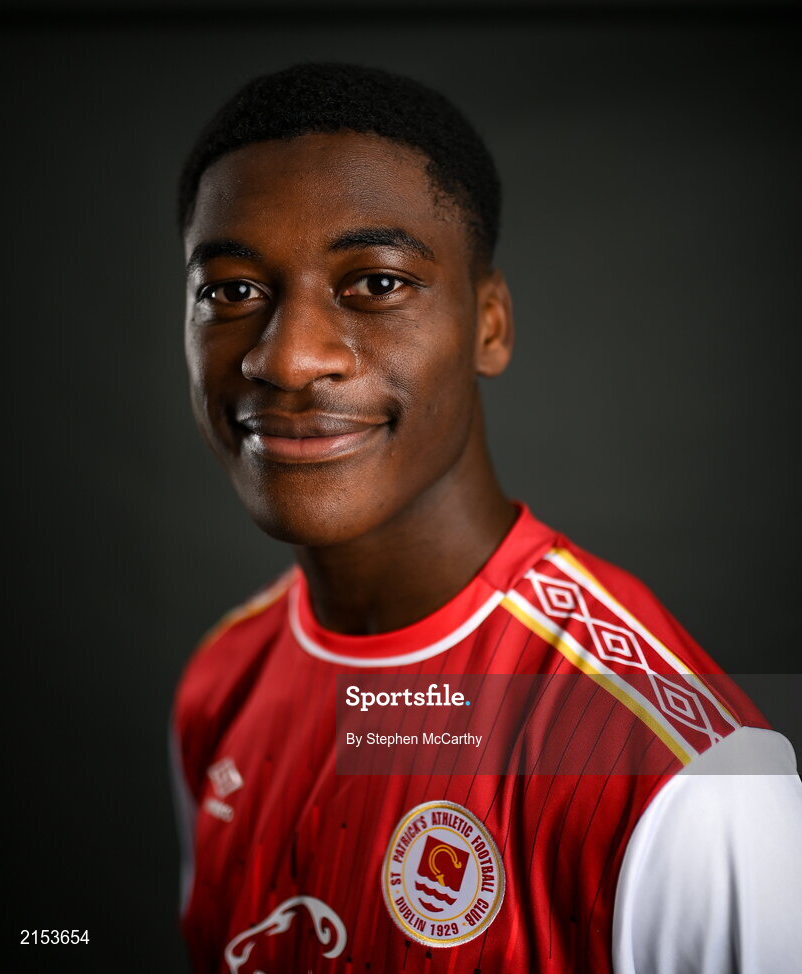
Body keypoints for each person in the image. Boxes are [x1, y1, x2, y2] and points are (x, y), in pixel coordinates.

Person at [170, 63, 802, 973]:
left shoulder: (691, 783)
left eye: (376, 282)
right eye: (231, 291)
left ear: (489, 326)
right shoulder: (219, 682)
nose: (290, 357)